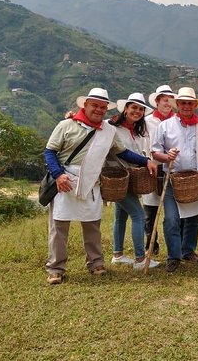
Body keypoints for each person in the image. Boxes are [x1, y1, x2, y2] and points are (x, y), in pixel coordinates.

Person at [44, 88, 157, 285]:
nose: (98, 110)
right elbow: (49, 152)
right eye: (94, 105)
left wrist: (145, 161)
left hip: (91, 181)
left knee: (92, 225)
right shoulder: (66, 125)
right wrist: (58, 175)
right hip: (66, 180)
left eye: (102, 107)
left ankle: (96, 263)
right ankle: (56, 269)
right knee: (59, 227)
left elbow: (122, 153)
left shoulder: (108, 131)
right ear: (85, 105)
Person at [151, 87, 198, 273]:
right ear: (178, 105)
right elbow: (154, 151)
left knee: (193, 218)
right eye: (183, 103)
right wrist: (167, 156)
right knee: (171, 219)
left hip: (196, 178)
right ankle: (173, 256)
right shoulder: (165, 126)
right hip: (172, 178)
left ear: (195, 105)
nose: (186, 106)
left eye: (189, 103)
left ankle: (188, 250)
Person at [106, 93, 160, 271]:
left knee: (120, 216)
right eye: (134, 107)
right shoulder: (111, 127)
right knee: (139, 215)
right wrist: (146, 161)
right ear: (125, 108)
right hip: (117, 178)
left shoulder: (135, 131)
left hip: (129, 179)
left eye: (141, 109)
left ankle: (118, 254)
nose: (137, 111)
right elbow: (122, 153)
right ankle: (139, 259)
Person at [142, 84, 176, 255]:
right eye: (164, 100)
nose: (168, 104)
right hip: (152, 167)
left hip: (172, 169)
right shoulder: (147, 121)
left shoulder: (177, 121)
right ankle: (151, 244)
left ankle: (176, 246)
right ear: (157, 101)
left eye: (170, 101)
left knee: (172, 210)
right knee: (150, 209)